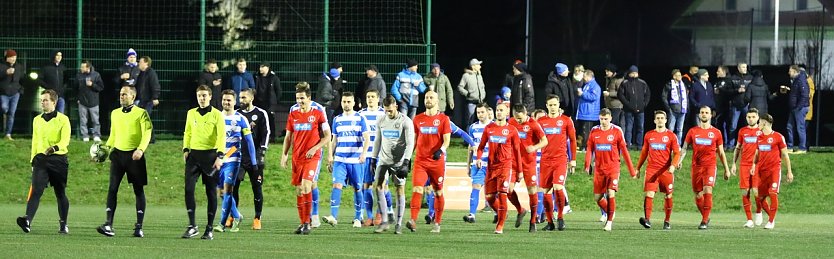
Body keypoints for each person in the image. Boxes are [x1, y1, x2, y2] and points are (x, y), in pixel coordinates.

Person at [95, 86, 153, 238]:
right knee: (112, 188)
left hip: (134, 155)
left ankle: (139, 227)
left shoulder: (141, 113)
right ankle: (108, 224)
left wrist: (141, 149)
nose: (121, 96)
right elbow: (113, 135)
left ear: (133, 97)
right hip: (118, 155)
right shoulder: (115, 113)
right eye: (120, 94)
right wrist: (104, 150)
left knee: (138, 191)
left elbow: (147, 133)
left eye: (125, 94)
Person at [16, 90, 71, 234]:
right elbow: (35, 141)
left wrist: (54, 148)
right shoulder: (37, 119)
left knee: (60, 193)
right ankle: (27, 220)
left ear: (54, 102)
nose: (42, 102)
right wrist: (32, 160)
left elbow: (65, 140)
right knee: (36, 190)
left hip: (58, 159)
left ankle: (63, 223)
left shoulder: (63, 119)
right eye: (41, 100)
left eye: (46, 100)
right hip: (40, 160)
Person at [281, 83, 331, 235]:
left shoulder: (317, 112)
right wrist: (284, 154)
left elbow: (328, 136)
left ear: (309, 98)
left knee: (306, 186)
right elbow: (288, 136)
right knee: (298, 191)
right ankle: (303, 223)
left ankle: (308, 222)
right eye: (297, 98)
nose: (300, 101)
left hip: (312, 156)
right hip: (297, 156)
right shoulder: (293, 114)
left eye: (302, 98)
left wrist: (316, 148)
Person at [181, 85, 226, 240]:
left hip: (210, 156)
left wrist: (220, 155)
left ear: (210, 96)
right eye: (199, 95)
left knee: (211, 192)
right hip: (194, 156)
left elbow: (221, 136)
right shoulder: (191, 113)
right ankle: (192, 226)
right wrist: (185, 149)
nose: (202, 98)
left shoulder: (217, 115)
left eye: (204, 95)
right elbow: (187, 131)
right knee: (188, 190)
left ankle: (209, 228)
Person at [322, 92, 371, 228]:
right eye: (344, 101)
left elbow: (367, 138)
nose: (346, 104)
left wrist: (364, 154)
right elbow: (334, 140)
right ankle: (333, 216)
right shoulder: (337, 119)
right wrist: (330, 156)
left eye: (349, 102)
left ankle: (357, 217)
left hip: (356, 160)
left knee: (357, 188)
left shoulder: (360, 118)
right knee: (337, 185)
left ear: (354, 103)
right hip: (340, 160)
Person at [677, 105, 731, 230]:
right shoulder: (692, 131)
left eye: (706, 112)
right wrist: (679, 160)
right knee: (698, 195)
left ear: (711, 115)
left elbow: (721, 152)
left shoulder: (716, 133)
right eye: (702, 112)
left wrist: (726, 169)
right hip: (696, 166)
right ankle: (706, 216)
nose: (704, 114)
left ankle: (704, 220)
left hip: (710, 166)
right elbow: (684, 148)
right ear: (699, 115)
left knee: (707, 190)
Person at [212, 90, 258, 233]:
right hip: (219, 160)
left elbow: (249, 142)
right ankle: (237, 216)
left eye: (229, 100)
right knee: (220, 193)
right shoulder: (216, 117)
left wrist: (254, 163)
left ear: (234, 101)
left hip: (233, 159)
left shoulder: (240, 119)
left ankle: (221, 224)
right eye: (224, 100)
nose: (227, 102)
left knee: (227, 190)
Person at [584, 108, 635, 231]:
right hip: (599, 169)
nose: (603, 121)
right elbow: (590, 148)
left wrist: (632, 171)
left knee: (610, 192)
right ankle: (610, 211)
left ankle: (609, 222)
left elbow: (624, 151)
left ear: (610, 118)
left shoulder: (617, 131)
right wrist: (587, 164)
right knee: (597, 198)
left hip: (613, 168)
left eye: (606, 119)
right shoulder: (594, 131)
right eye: (601, 119)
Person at [407, 91, 450, 233]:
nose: (428, 99)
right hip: (421, 161)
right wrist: (408, 158)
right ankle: (413, 220)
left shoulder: (444, 119)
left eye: (431, 97)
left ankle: (437, 223)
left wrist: (441, 150)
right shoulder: (418, 119)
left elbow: (447, 140)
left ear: (437, 101)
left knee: (438, 192)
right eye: (426, 97)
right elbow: (413, 140)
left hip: (436, 162)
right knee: (417, 188)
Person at [371, 95, 415, 234]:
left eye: (390, 110)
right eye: (386, 110)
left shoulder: (405, 121)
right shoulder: (381, 120)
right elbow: (378, 140)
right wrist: (373, 158)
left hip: (399, 162)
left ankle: (399, 223)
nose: (388, 113)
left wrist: (406, 162)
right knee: (378, 186)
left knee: (399, 189)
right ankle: (384, 221)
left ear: (395, 106)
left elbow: (410, 143)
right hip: (384, 160)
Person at [476, 102, 523, 234]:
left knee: (503, 194)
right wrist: (479, 158)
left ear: (507, 113)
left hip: (505, 167)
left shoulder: (512, 130)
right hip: (491, 167)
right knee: (489, 197)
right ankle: (503, 213)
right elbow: (480, 147)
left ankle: (500, 225)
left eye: (502, 110)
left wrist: (519, 171)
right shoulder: (489, 128)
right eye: (497, 110)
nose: (499, 112)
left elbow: (517, 152)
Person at [635, 110, 681, 230]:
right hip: (651, 170)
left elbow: (677, 153)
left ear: (666, 120)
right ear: (655, 120)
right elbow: (644, 153)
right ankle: (647, 220)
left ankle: (667, 221)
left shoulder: (671, 136)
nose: (660, 120)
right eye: (658, 118)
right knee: (649, 194)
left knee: (668, 195)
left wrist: (673, 165)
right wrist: (638, 168)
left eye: (662, 118)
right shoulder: (649, 135)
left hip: (666, 171)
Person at [536, 95, 577, 231]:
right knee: (546, 192)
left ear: (558, 105)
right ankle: (550, 222)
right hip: (545, 160)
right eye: (550, 105)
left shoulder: (566, 121)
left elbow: (572, 140)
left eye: (555, 105)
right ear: (546, 106)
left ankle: (560, 217)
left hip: (560, 160)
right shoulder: (541, 121)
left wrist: (573, 160)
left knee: (558, 187)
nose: (553, 107)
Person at [233, 88, 271, 230]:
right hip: (239, 157)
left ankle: (257, 218)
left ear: (251, 98)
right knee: (233, 186)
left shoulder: (261, 114)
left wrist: (262, 150)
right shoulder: (237, 114)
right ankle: (233, 215)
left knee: (257, 187)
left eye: (243, 98)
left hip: (255, 158)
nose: (241, 101)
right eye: (240, 98)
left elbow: (266, 133)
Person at [508, 104, 548, 232]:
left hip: (528, 163)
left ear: (526, 114)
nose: (519, 121)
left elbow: (544, 141)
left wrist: (534, 147)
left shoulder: (533, 124)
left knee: (532, 191)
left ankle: (532, 221)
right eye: (516, 118)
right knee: (508, 189)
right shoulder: (511, 122)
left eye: (521, 118)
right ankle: (520, 210)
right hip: (514, 162)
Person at [752, 113, 794, 229]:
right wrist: (753, 165)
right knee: (760, 198)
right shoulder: (759, 138)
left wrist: (789, 171)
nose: (758, 124)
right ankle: (772, 216)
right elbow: (757, 154)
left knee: (772, 193)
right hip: (762, 171)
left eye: (759, 122)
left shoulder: (778, 137)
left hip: (774, 171)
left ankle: (770, 221)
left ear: (764, 122)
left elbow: (785, 155)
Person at [359, 89, 391, 225]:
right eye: (368, 97)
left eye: (372, 97)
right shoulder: (360, 115)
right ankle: (370, 216)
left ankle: (381, 213)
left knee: (382, 185)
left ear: (378, 99)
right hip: (366, 156)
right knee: (366, 185)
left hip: (381, 156)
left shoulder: (384, 114)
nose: (370, 99)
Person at [731, 109, 763, 228]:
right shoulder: (742, 131)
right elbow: (738, 147)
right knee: (745, 191)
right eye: (749, 117)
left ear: (758, 118)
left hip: (758, 165)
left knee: (756, 191)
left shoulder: (761, 131)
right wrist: (733, 163)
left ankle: (759, 211)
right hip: (744, 164)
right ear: (746, 118)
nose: (751, 119)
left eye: (753, 117)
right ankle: (749, 219)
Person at [463, 103, 492, 223]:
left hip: (490, 164)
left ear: (487, 112)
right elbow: (471, 147)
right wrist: (468, 165)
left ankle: (498, 213)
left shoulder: (494, 126)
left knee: (493, 192)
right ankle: (472, 215)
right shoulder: (473, 128)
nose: (480, 115)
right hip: (477, 163)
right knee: (475, 186)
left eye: (482, 112)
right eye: (478, 112)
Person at [618, 65, 651, 150]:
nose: (634, 74)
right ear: (629, 73)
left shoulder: (642, 83)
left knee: (640, 127)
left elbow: (648, 94)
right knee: (629, 127)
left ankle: (639, 145)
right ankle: (628, 145)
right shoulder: (625, 83)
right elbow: (620, 95)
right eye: (632, 73)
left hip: (641, 110)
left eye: (635, 73)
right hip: (628, 110)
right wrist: (628, 105)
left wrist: (644, 105)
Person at [780, 65, 810, 154]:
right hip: (795, 108)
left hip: (799, 108)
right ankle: (790, 147)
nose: (788, 73)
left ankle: (802, 148)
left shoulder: (801, 80)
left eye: (790, 71)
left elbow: (805, 95)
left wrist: (798, 107)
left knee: (800, 128)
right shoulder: (796, 80)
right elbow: (797, 94)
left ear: (794, 71)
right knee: (789, 126)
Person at [715, 66, 744, 149]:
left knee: (728, 125)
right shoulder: (717, 81)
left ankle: (728, 144)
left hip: (727, 107)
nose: (717, 72)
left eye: (719, 71)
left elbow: (731, 92)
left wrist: (722, 90)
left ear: (724, 72)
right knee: (720, 125)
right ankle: (723, 143)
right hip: (718, 107)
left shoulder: (729, 80)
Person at [77, 60, 105, 142]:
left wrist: (92, 85)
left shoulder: (96, 75)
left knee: (95, 120)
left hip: (94, 102)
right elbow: (75, 88)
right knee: (83, 120)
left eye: (83, 67)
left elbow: (101, 87)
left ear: (88, 67)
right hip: (82, 102)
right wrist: (78, 99)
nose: (81, 68)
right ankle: (85, 135)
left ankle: (96, 135)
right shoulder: (79, 75)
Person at [135, 56, 160, 142]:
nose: (139, 63)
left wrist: (155, 97)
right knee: (145, 119)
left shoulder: (151, 73)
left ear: (146, 63)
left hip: (149, 100)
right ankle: (149, 138)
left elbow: (155, 85)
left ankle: (150, 138)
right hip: (142, 100)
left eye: (140, 62)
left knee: (146, 118)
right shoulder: (141, 73)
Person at [0, 49, 25, 140]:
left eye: (14, 57)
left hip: (15, 93)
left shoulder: (19, 66)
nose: (13, 59)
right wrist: (5, 73)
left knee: (12, 113)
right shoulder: (1, 66)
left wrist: (20, 90)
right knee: (4, 108)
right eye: (11, 57)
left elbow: (22, 79)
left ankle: (8, 134)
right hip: (3, 93)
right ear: (7, 58)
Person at [577, 70, 601, 150]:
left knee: (587, 131)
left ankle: (586, 147)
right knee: (584, 130)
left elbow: (594, 97)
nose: (583, 78)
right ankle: (584, 146)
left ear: (589, 76)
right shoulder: (587, 85)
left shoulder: (595, 86)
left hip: (589, 112)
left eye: (584, 76)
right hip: (585, 112)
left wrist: (582, 94)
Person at [663, 69, 689, 144]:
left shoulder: (683, 85)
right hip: (673, 110)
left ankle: (678, 146)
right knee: (671, 129)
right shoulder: (669, 85)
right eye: (678, 75)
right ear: (674, 76)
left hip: (682, 110)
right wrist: (668, 108)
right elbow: (664, 97)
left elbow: (686, 97)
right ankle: (669, 144)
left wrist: (686, 107)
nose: (680, 77)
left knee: (680, 130)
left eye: (680, 75)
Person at [458, 58, 485, 124]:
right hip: (471, 103)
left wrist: (483, 94)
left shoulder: (479, 75)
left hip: (480, 103)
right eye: (478, 64)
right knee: (470, 121)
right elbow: (460, 87)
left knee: (481, 121)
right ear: (473, 66)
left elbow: (482, 87)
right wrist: (467, 94)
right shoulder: (466, 76)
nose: (480, 66)